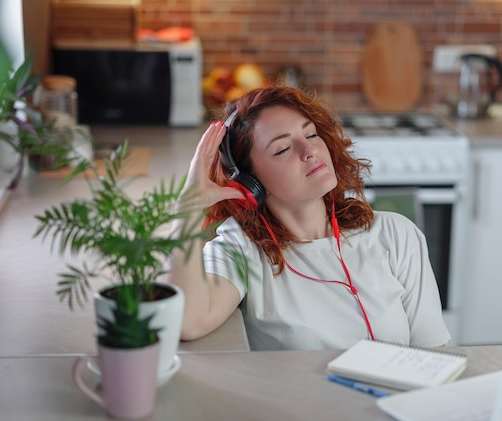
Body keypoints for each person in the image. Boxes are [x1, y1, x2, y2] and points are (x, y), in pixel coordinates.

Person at [168, 85, 450, 350]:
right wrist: (188, 207)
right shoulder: (243, 249)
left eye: (311, 134)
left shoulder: (396, 234)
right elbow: (187, 322)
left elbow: (433, 356)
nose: (310, 151)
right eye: (282, 148)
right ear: (249, 181)